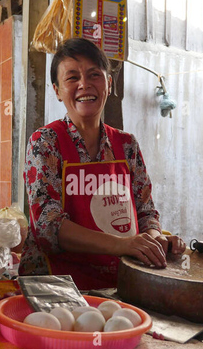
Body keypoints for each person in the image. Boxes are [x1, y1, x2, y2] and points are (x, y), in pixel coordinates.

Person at [19, 38, 185, 290]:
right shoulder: (45, 142)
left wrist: (154, 240)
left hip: (120, 281)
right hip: (55, 285)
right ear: (57, 90)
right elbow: (47, 227)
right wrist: (123, 244)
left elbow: (146, 212)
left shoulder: (127, 144)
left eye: (94, 74)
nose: (84, 84)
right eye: (72, 78)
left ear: (109, 83)